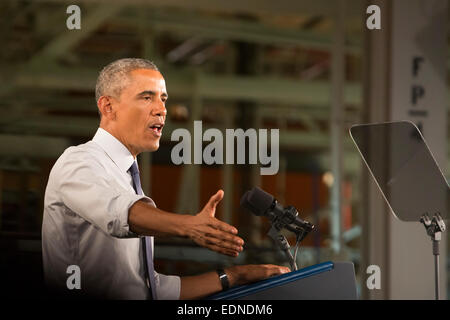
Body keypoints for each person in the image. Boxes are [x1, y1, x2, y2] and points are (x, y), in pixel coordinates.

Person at [42, 58, 289, 300]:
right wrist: (188, 225)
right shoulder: (78, 162)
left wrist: (236, 276)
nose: (161, 109)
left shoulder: (126, 177)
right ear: (108, 107)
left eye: (163, 99)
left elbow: (148, 289)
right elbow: (120, 214)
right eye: (147, 97)